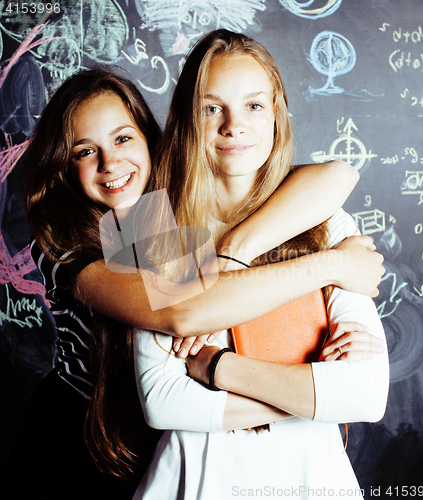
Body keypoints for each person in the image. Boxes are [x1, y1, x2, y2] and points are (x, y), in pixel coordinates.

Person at [15, 64, 381, 499]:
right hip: (78, 439)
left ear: (152, 142)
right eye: (83, 151)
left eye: (123, 138)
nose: (110, 162)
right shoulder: (66, 245)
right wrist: (329, 269)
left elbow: (334, 176)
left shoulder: (154, 216)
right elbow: (182, 313)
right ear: (63, 164)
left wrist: (234, 254)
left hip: (157, 442)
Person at [131, 29, 389, 499]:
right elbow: (163, 403)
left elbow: (366, 395)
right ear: (188, 117)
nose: (234, 126)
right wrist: (312, 393)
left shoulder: (325, 217)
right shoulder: (151, 222)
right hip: (197, 480)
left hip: (312, 480)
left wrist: (215, 367)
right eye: (212, 108)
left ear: (277, 115)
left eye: (254, 105)